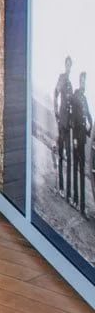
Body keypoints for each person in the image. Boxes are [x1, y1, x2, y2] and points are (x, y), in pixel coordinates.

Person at [56, 57, 75, 196]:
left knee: (68, 154)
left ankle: (68, 192)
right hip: (61, 120)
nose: (68, 67)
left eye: (70, 66)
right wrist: (55, 110)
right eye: (67, 65)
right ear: (65, 65)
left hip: (68, 124)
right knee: (61, 154)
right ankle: (60, 187)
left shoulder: (71, 85)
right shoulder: (62, 78)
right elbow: (55, 92)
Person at [75, 73, 93, 216]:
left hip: (83, 138)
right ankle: (77, 202)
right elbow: (74, 119)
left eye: (85, 82)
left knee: (80, 170)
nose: (83, 84)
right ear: (79, 82)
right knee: (77, 170)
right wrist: (75, 137)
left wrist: (91, 131)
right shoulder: (76, 97)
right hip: (77, 139)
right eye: (82, 81)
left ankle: (80, 204)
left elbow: (89, 118)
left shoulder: (85, 99)